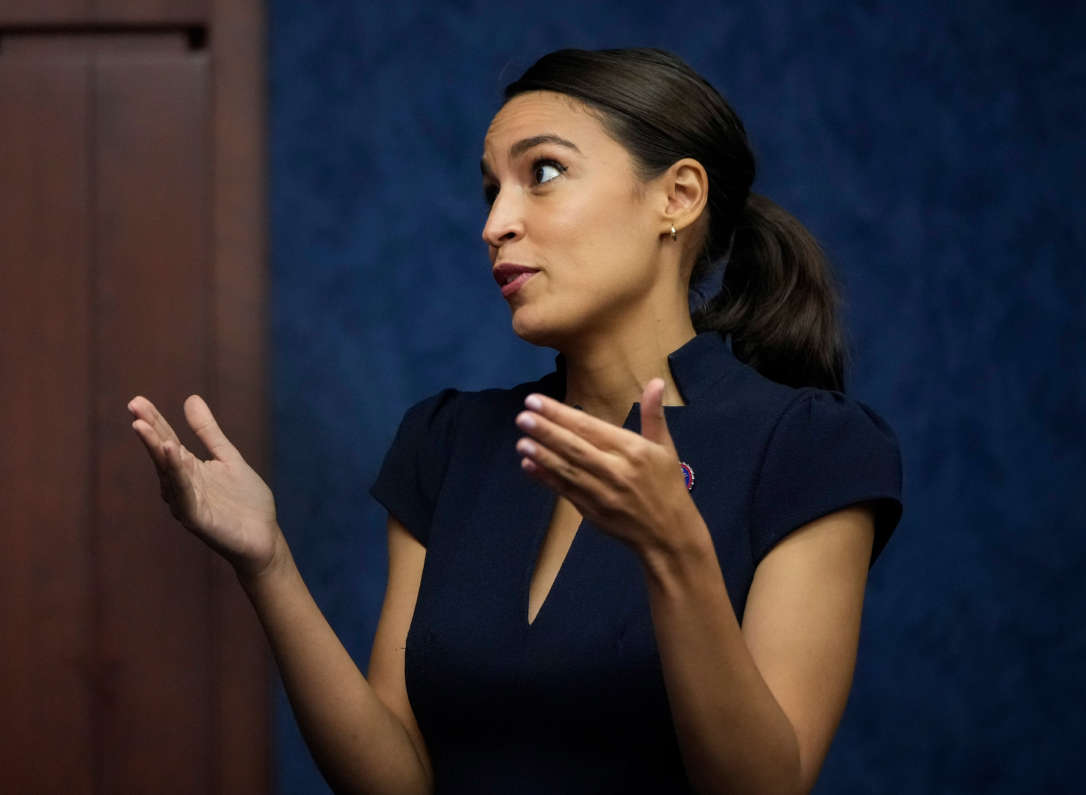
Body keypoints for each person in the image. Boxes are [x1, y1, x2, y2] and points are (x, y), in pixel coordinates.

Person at [128, 48, 902, 795]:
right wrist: (269, 566)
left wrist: (676, 548)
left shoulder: (810, 447)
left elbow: (765, 783)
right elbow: (398, 777)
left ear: (679, 196)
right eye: (491, 188)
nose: (496, 222)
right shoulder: (448, 441)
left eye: (545, 173)